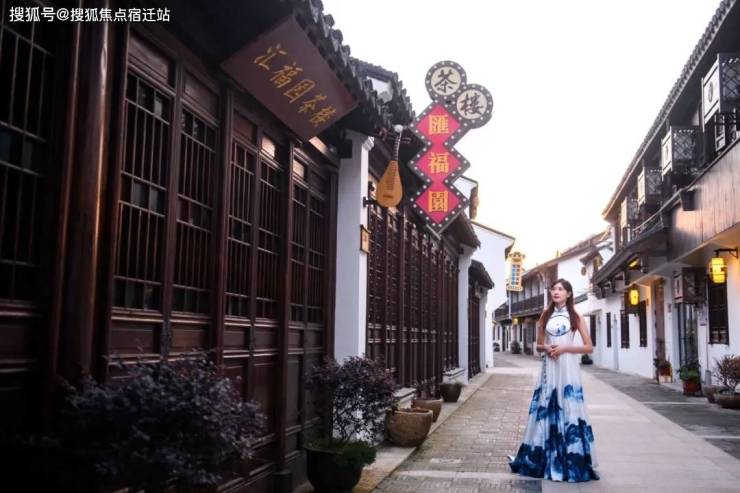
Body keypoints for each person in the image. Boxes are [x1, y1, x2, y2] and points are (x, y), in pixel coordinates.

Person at [508, 278, 599, 482]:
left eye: (561, 289)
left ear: (568, 293)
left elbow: (589, 347)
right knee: (545, 406)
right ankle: (542, 458)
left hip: (567, 367)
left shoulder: (576, 315)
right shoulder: (545, 315)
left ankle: (570, 460)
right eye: (553, 289)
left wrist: (565, 348)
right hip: (549, 366)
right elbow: (539, 345)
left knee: (568, 407)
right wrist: (547, 348)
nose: (556, 292)